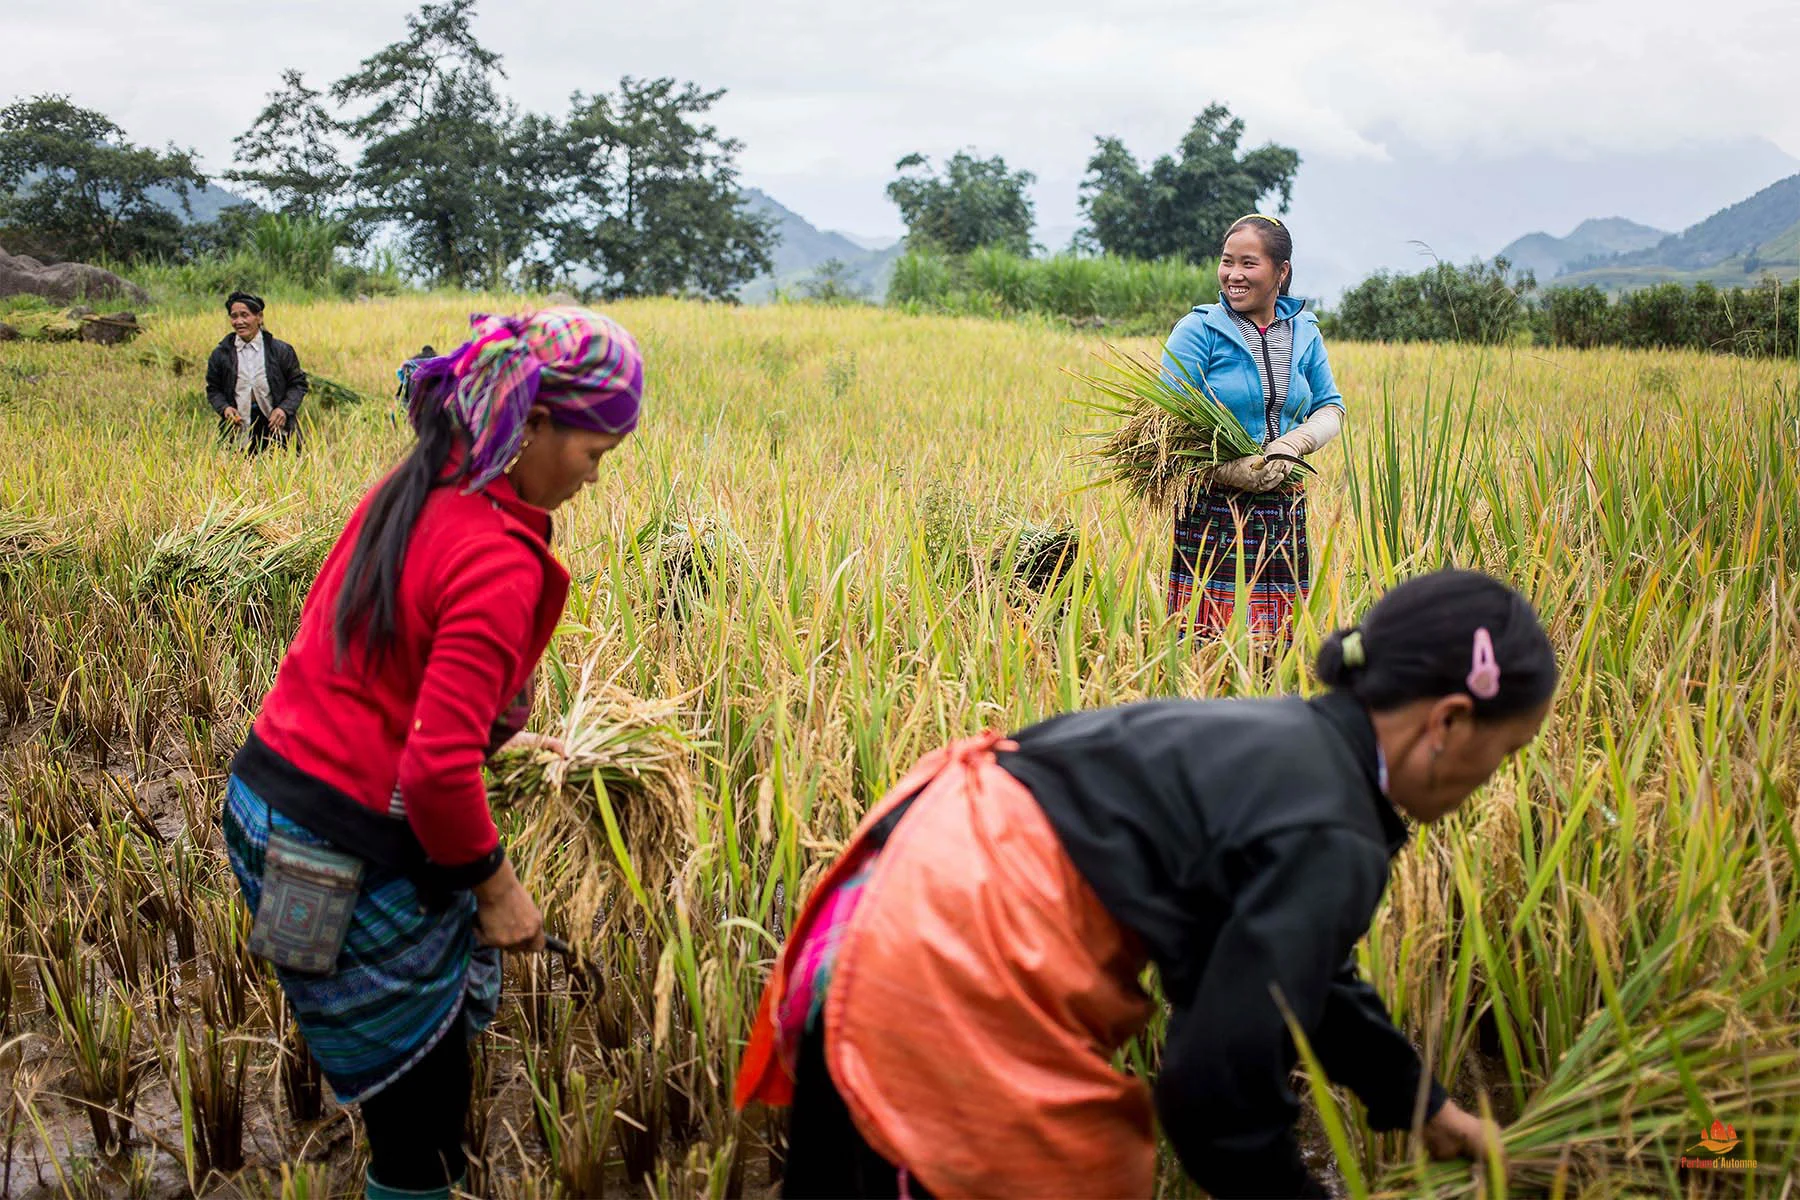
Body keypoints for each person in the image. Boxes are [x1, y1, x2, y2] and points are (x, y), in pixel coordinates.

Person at [738, 568, 1557, 1199]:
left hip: (883, 903)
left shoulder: (1295, 747)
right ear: (1448, 722)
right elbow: (1214, 1102)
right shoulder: (1333, 830)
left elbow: (1305, 979)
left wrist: (1422, 1102)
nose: (1496, 779)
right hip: (944, 963)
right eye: (1506, 753)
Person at [220, 307, 644, 1200]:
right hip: (341, 843)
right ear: (530, 425)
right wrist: (501, 891)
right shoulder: (497, 555)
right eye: (594, 454)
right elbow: (436, 772)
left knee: (374, 1047)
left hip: (270, 807)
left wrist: (510, 734)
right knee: (425, 1116)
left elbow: (378, 660)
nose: (595, 478)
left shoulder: (423, 481)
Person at [1162, 214, 1345, 642]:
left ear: (1281, 271)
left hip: (1282, 505)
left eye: (1249, 263)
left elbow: (1330, 407)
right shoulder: (1199, 330)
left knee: (1277, 645)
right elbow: (1165, 423)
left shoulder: (1304, 332)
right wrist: (1229, 469)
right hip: (1211, 508)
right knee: (1208, 644)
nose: (1234, 275)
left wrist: (1294, 444)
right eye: (1227, 262)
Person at [204, 291, 310, 454]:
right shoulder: (221, 354)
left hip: (275, 426)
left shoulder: (280, 351)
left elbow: (298, 385)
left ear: (259, 317)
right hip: (239, 428)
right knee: (240, 473)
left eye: (245, 315)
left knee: (280, 472)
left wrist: (283, 409)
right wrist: (225, 408)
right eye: (234, 316)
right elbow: (213, 389)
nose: (239, 321)